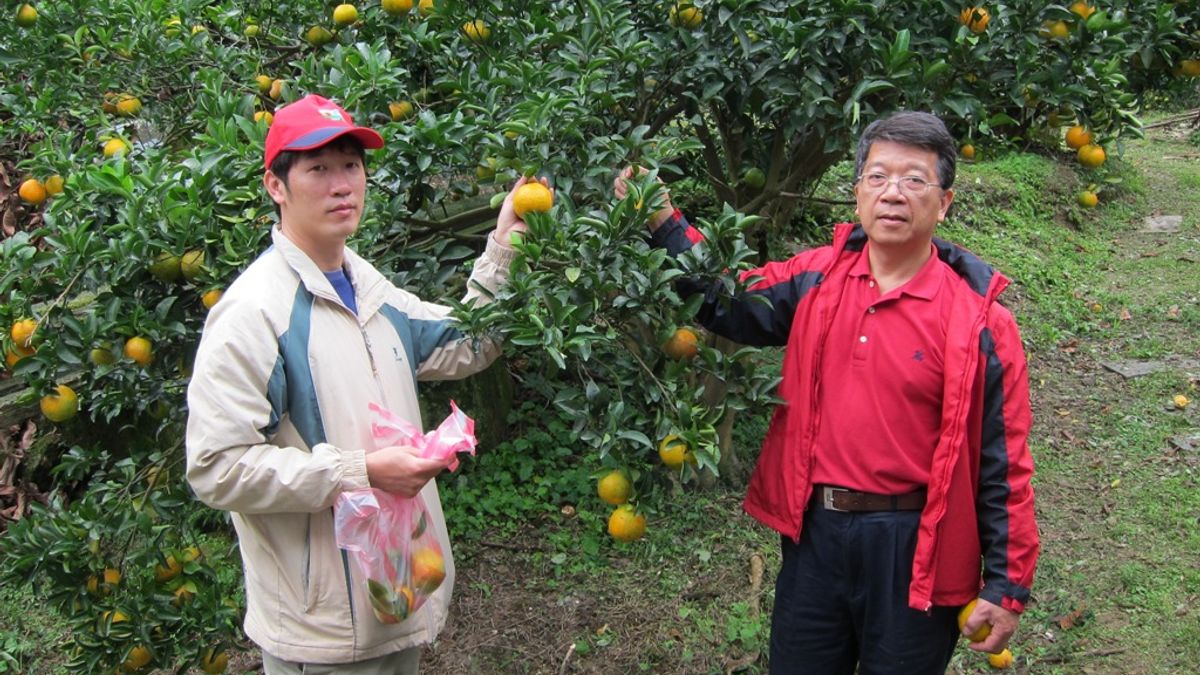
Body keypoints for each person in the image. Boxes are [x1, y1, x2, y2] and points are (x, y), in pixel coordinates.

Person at [615, 111, 1038, 674]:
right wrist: (665, 220)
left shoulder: (979, 323)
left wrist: (1007, 584)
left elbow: (1003, 461)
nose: (894, 192)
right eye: (878, 176)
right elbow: (730, 301)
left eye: (915, 179)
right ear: (858, 193)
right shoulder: (816, 279)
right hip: (816, 534)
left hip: (916, 546)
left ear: (944, 203)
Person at [186, 93, 538, 674]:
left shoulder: (371, 291)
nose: (341, 184)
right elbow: (216, 468)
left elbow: (468, 341)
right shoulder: (255, 314)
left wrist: (501, 249)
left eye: (350, 165)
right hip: (324, 623)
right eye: (318, 169)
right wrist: (361, 472)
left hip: (397, 590)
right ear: (276, 186)